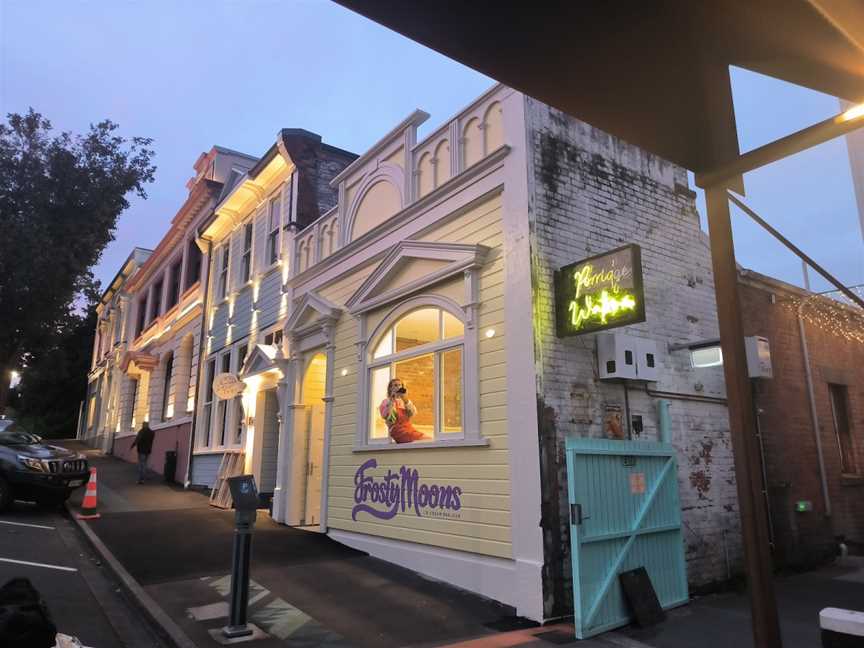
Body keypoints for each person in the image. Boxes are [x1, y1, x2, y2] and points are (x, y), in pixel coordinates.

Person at [379, 378, 427, 444]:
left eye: (400, 385)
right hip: (398, 431)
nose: (398, 387)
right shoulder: (386, 402)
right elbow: (389, 419)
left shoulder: (404, 401)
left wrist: (405, 399)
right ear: (390, 388)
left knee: (427, 439)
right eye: (395, 385)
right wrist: (392, 400)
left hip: (409, 429)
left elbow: (413, 413)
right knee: (424, 440)